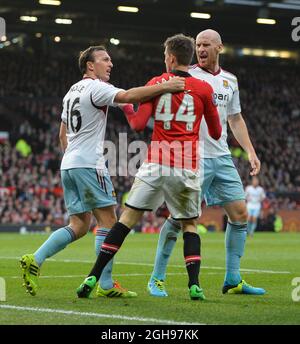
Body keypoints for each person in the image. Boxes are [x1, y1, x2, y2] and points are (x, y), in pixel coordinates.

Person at [20, 45, 185, 297]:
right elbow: (129, 96)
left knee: (79, 225)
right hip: (88, 163)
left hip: (69, 164)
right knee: (109, 221)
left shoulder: (70, 92)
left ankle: (36, 258)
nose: (110, 64)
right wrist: (166, 86)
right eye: (105, 60)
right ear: (90, 65)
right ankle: (105, 285)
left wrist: (72, 159)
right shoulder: (97, 87)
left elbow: (62, 134)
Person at [75, 33, 222, 301]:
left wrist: (130, 109)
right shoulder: (204, 89)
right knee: (189, 225)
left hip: (155, 163)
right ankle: (194, 285)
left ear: (172, 58)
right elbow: (215, 132)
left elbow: (138, 126)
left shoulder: (156, 84)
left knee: (126, 221)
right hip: (185, 165)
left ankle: (93, 276)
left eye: (165, 56)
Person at [147, 29, 266, 297]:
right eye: (198, 44)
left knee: (239, 215)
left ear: (219, 48)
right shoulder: (185, 76)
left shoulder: (229, 81)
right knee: (179, 219)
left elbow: (235, 119)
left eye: (206, 45)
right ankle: (157, 277)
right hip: (193, 158)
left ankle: (233, 279)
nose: (200, 49)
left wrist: (250, 151)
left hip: (221, 156)